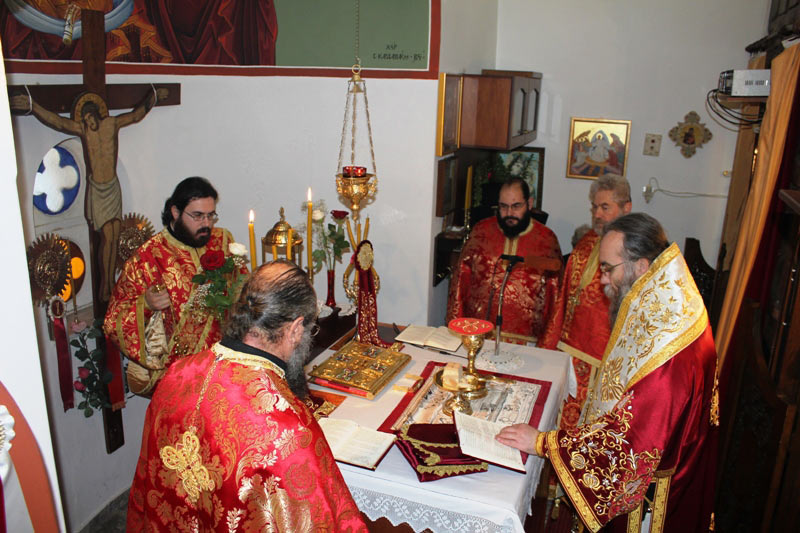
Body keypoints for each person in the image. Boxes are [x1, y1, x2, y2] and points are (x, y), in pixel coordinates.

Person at [498, 213, 718, 532]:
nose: (601, 280)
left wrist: (543, 444)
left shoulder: (666, 352)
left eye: (607, 269)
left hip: (656, 501)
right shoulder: (666, 300)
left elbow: (631, 441)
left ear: (640, 266)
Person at [127, 261, 367, 532]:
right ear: (295, 329)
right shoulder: (287, 429)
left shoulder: (176, 375)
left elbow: (146, 482)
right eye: (309, 330)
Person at [10, 88, 167, 302]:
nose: (87, 122)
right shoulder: (83, 130)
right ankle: (106, 287)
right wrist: (33, 106)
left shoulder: (112, 124)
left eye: (89, 118)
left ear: (96, 114)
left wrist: (153, 97)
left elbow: (135, 116)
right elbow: (58, 122)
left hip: (112, 188)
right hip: (97, 190)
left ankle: (111, 283)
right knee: (107, 237)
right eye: (84, 119)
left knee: (115, 235)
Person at [104, 177, 249, 395]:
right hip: (178, 377)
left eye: (211, 215)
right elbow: (113, 321)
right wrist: (146, 304)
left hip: (222, 366)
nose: (206, 224)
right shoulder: (147, 257)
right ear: (175, 212)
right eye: (198, 216)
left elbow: (242, 289)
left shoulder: (222, 240)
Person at [539, 175, 632, 429]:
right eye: (594, 207)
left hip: (603, 364)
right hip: (567, 357)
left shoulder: (633, 253)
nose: (597, 214)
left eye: (605, 207)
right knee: (558, 427)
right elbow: (562, 303)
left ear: (626, 208)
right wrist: (549, 349)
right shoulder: (585, 243)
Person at [447, 177, 561, 341]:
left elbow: (556, 298)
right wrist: (457, 333)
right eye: (503, 206)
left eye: (516, 206)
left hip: (528, 341)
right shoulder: (480, 233)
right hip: (479, 336)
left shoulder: (546, 240)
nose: (509, 214)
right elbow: (459, 285)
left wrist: (548, 344)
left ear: (529, 204)